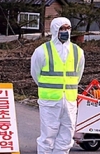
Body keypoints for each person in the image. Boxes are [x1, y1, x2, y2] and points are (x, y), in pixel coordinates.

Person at [31, 17, 85, 154]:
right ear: (55, 29)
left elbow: (78, 75)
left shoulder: (77, 51)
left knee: (67, 136)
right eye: (62, 28)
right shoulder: (41, 51)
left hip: (69, 101)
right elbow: (35, 74)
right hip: (50, 101)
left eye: (67, 28)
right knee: (47, 137)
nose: (65, 31)